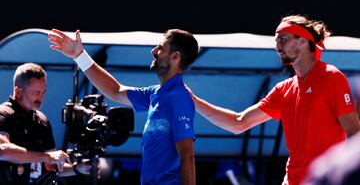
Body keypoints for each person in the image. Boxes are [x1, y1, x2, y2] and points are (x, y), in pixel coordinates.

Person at [187, 15, 360, 185]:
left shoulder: (331, 77)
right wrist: (193, 100)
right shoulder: (283, 89)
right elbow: (238, 122)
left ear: (302, 40)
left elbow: (354, 133)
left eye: (283, 39)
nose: (277, 46)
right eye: (276, 41)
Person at [48, 28, 199, 185]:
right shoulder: (156, 94)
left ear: (175, 57)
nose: (153, 51)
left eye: (161, 48)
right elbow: (115, 90)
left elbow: (187, 156)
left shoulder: (178, 98)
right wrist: (79, 56)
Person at [0, 63, 89, 185]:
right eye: (37, 92)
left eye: (43, 92)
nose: (41, 98)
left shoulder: (41, 121)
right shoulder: (3, 114)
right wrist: (47, 156)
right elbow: (3, 150)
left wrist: (78, 168)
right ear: (18, 91)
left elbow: (51, 166)